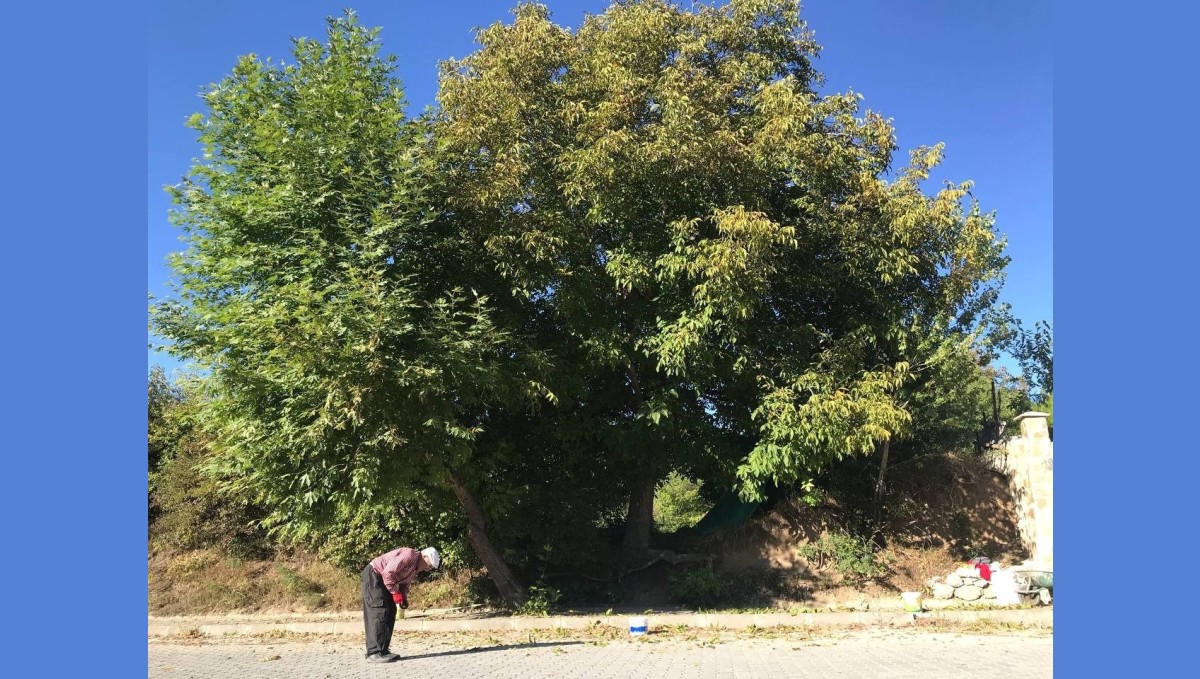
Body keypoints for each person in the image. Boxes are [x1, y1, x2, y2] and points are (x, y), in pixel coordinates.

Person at [361, 546, 440, 663]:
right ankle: (373, 652)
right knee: (379, 611)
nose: (428, 569)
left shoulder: (415, 567)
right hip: (375, 575)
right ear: (424, 556)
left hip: (385, 580)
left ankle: (383, 650)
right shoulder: (409, 555)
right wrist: (395, 593)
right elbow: (388, 573)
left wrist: (403, 597)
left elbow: (404, 583)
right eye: (429, 566)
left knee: (390, 611)